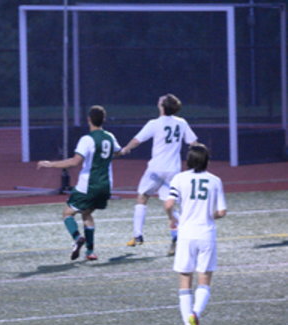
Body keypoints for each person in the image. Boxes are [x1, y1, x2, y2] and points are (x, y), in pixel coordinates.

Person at [37, 105, 121, 261]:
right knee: (87, 214)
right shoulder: (109, 136)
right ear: (103, 120)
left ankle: (77, 238)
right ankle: (90, 252)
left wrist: (50, 164)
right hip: (106, 185)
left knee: (67, 213)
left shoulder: (87, 139)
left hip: (88, 185)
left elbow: (75, 161)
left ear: (89, 120)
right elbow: (118, 151)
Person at [120, 93, 197, 255]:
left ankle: (137, 235)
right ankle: (179, 235)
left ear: (162, 106)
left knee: (142, 197)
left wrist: (126, 149)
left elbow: (137, 140)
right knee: (169, 205)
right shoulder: (181, 123)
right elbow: (193, 143)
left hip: (155, 170)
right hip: (173, 171)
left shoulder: (154, 124)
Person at [165, 143, 227, 325]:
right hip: (206, 234)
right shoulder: (215, 180)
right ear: (207, 160)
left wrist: (172, 218)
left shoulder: (179, 178)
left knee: (185, 279)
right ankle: (195, 314)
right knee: (204, 278)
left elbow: (169, 203)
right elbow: (221, 212)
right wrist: (208, 215)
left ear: (189, 160)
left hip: (186, 234)